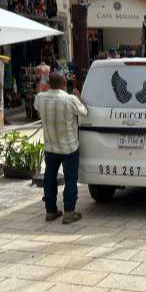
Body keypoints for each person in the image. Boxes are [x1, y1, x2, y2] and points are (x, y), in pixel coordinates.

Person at [34, 72, 88, 225]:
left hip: (50, 146)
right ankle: (69, 213)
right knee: (71, 179)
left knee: (49, 179)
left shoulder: (40, 98)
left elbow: (36, 104)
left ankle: (50, 211)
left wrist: (42, 88)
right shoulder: (69, 100)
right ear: (65, 84)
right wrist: (78, 97)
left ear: (49, 84)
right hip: (69, 147)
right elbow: (84, 112)